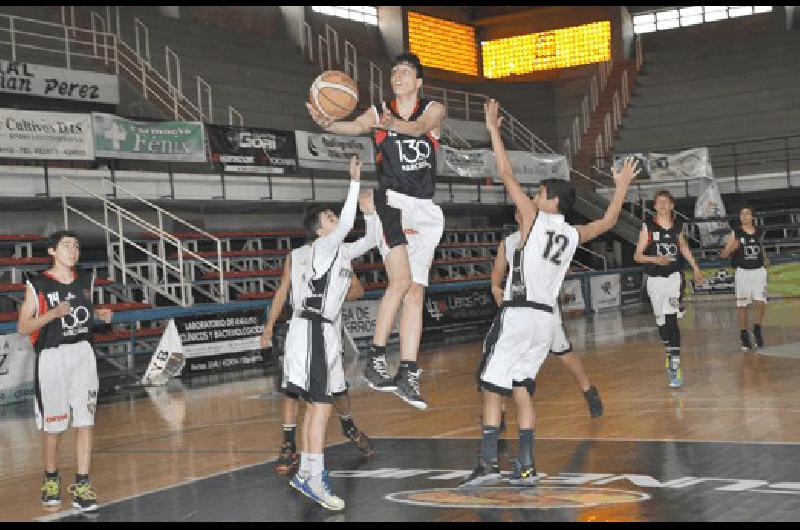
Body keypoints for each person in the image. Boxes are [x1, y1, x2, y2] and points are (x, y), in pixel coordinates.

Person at [461, 99, 639, 487]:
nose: (535, 195)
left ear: (551, 200)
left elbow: (505, 172)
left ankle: (488, 463)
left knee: (492, 389)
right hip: (545, 321)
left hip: (519, 313)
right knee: (522, 388)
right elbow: (609, 221)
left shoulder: (533, 219)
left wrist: (493, 129)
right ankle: (525, 464)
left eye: (540, 192)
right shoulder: (574, 234)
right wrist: (621, 186)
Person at [307, 52, 446, 410]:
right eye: (394, 71)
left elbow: (417, 128)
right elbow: (352, 126)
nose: (397, 76)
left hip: (426, 210)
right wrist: (327, 123)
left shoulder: (433, 109)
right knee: (400, 282)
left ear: (418, 81)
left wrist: (386, 124)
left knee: (416, 293)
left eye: (405, 72)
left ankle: (408, 372)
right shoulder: (379, 111)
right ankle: (377, 358)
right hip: (392, 203)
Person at [276, 156, 378, 511]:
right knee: (320, 408)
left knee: (317, 408)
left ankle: (307, 472)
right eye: (330, 219)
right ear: (319, 231)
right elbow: (348, 223)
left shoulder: (341, 251)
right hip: (312, 331)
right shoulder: (320, 248)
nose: (336, 220)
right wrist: (353, 182)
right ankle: (315, 478)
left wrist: (370, 211)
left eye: (336, 217)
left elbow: (373, 238)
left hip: (324, 332)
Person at [17, 230, 113, 512]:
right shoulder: (38, 284)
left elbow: (85, 314)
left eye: (76, 246)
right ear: (52, 251)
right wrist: (52, 314)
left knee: (85, 421)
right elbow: (23, 326)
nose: (73, 251)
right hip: (53, 357)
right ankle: (50, 479)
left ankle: (82, 484)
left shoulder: (85, 281)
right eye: (66, 245)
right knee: (54, 425)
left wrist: (100, 315)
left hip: (83, 353)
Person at [491, 208, 603, 420]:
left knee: (565, 355)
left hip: (543, 309)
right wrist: (496, 288)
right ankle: (501, 414)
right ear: (516, 216)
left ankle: (589, 390)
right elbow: (497, 273)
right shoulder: (508, 242)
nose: (522, 215)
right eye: (519, 213)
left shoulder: (544, 237)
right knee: (504, 359)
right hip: (516, 309)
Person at [261, 272, 375, 477]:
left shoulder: (341, 259)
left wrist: (333, 295)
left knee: (338, 391)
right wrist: (269, 326)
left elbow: (358, 289)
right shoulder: (296, 258)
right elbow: (282, 290)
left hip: (328, 334)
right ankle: (288, 444)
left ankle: (348, 427)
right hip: (299, 334)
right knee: (291, 390)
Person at [634, 190, 704, 388]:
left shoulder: (678, 226)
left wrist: (695, 267)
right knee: (662, 323)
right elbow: (637, 256)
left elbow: (683, 247)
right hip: (654, 280)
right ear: (655, 206)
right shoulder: (648, 227)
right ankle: (669, 351)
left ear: (672, 206)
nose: (663, 205)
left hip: (674, 278)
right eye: (659, 202)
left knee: (672, 317)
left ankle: (675, 363)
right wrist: (655, 259)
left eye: (666, 202)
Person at [719, 205, 768, 351]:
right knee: (742, 305)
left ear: (752, 216)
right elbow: (724, 254)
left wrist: (765, 258)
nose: (744, 216)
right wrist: (732, 248)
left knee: (760, 302)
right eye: (742, 214)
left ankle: (757, 329)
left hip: (759, 271)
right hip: (742, 273)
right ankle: (743, 334)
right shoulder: (736, 233)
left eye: (747, 213)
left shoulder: (760, 232)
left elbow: (761, 248)